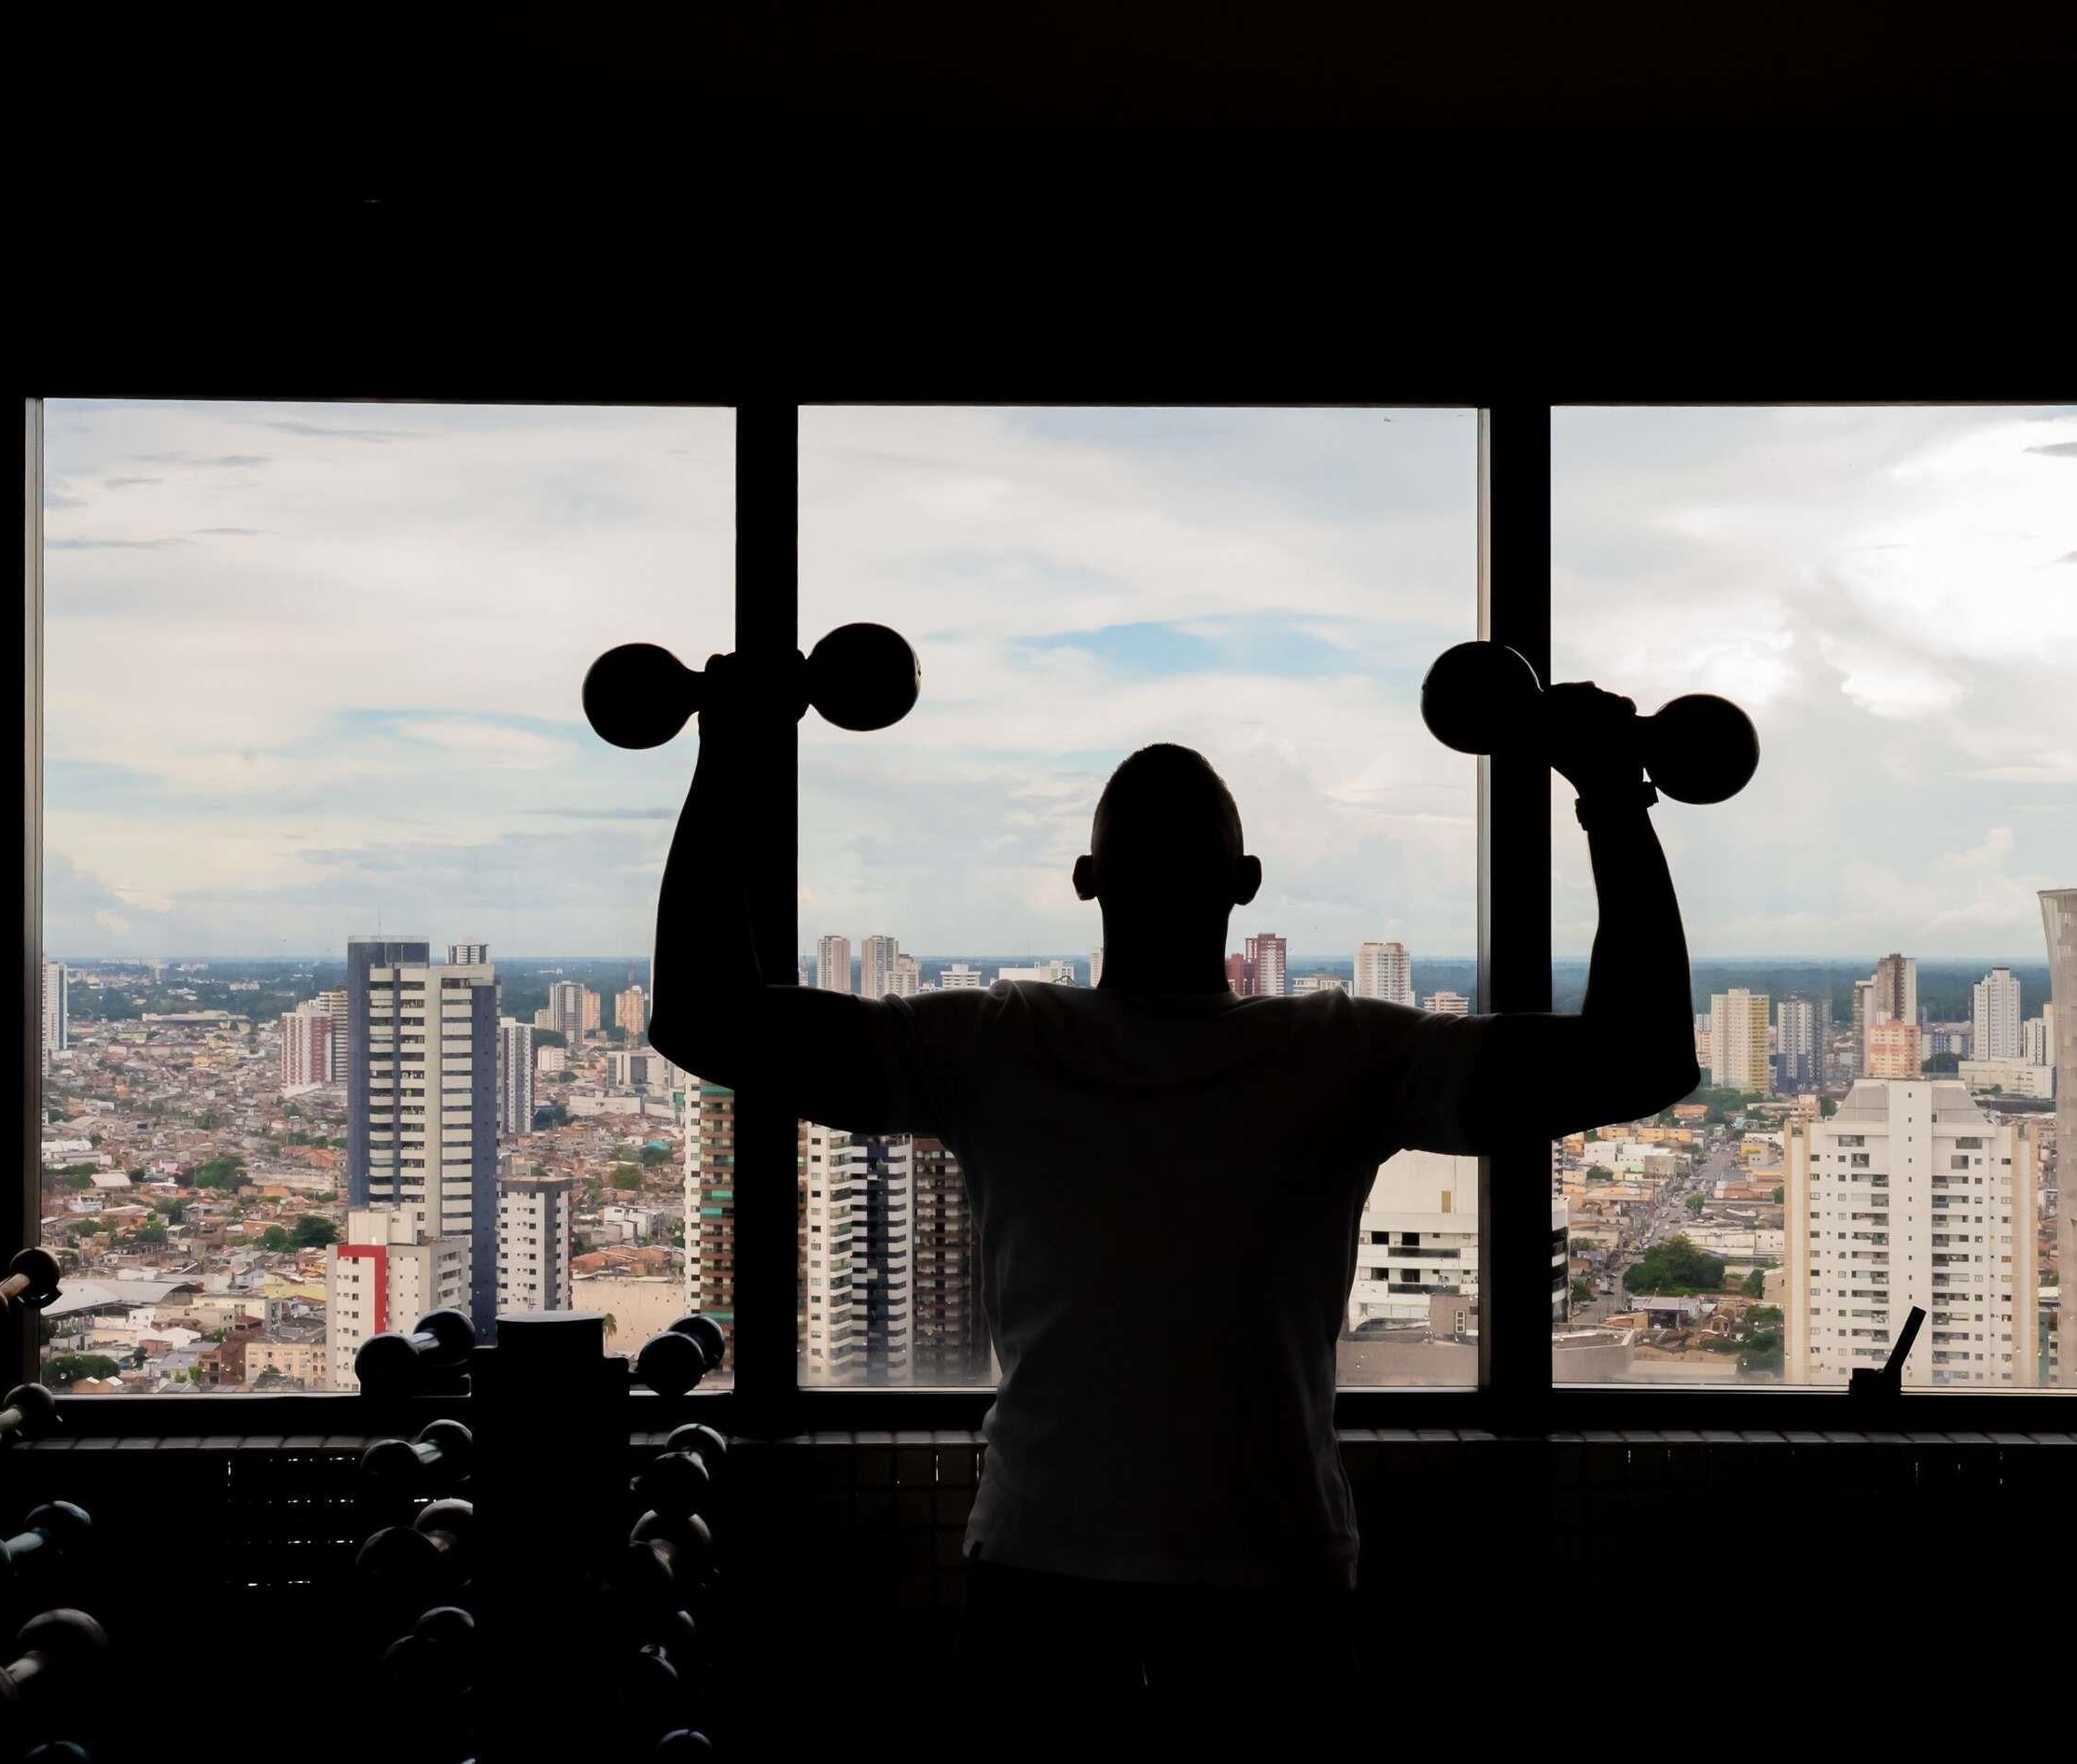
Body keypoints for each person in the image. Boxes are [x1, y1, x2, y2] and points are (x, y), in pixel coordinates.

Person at [648, 656, 1699, 1704]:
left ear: (1085, 879)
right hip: (1270, 1568)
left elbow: (706, 1015)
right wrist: (1612, 795)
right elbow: (1639, 1056)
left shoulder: (993, 1044)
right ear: (1245, 881)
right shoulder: (1345, 1055)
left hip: (1042, 1562)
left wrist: (731, 754)